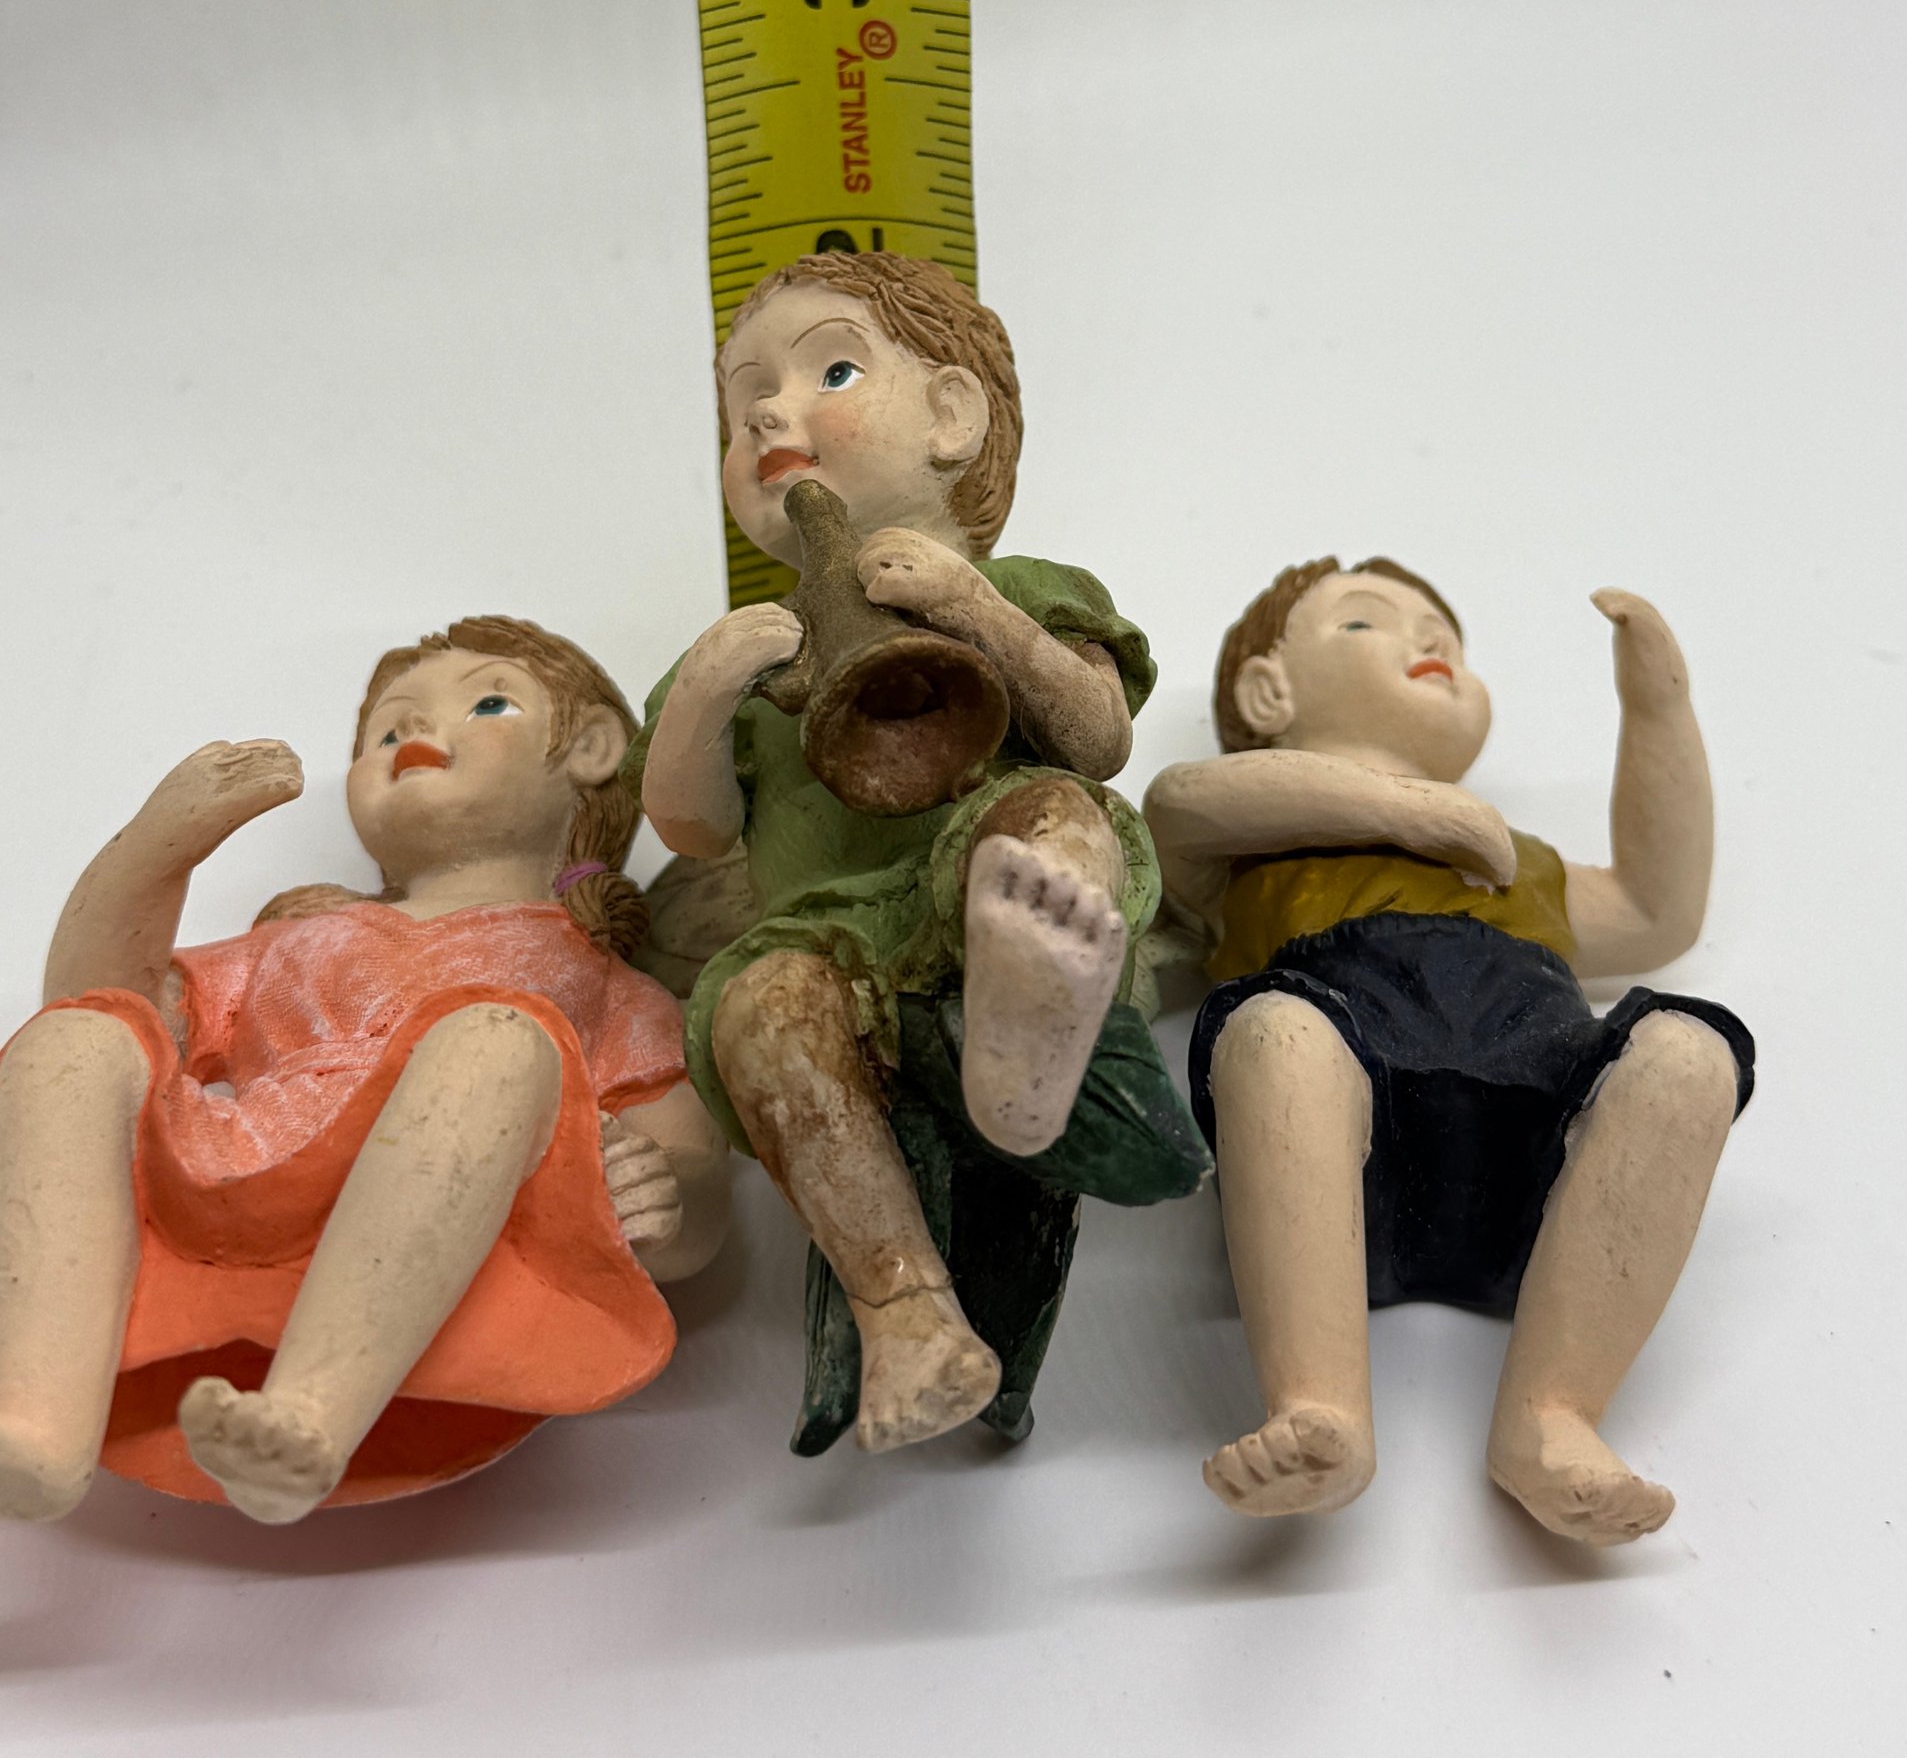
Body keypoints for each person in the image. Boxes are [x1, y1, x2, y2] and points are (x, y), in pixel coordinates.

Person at [0, 616, 728, 1524]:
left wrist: (668, 1195)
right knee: (75, 1039)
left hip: (444, 1230)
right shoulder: (298, 938)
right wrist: (162, 842)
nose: (413, 731)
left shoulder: (597, 979)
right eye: (385, 728)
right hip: (239, 1180)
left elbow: (694, 1188)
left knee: (497, 1038)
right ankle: (37, 1418)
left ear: (590, 748)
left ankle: (308, 1419)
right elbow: (106, 1002)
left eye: (488, 703)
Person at [640, 250, 1165, 1453]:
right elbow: (695, 828)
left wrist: (974, 608)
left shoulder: (1017, 586)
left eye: (828, 371)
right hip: (826, 933)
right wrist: (708, 691)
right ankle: (907, 1317)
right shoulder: (753, 645)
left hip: (982, 874)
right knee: (760, 1006)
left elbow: (1097, 737)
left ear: (951, 416)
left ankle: (1025, 1031)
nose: (767, 416)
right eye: (741, 404)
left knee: (1054, 826)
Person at [1144, 559, 1752, 1546]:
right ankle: (1321, 1409)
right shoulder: (1243, 846)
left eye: (1445, 634)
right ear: (1268, 692)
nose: (1428, 641)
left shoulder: (1522, 864)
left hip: (1537, 1120)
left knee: (1689, 1054)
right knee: (1274, 1031)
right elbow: (1179, 799)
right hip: (1349, 1122)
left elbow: (1658, 911)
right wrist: (1410, 811)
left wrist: (1658, 712)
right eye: (1364, 623)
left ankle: (1552, 1416)